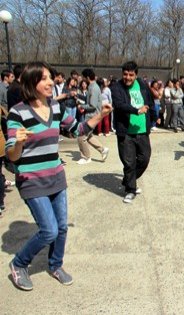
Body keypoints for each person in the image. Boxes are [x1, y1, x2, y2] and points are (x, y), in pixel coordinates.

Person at [6, 61, 112, 290]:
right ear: (31, 82)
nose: (50, 82)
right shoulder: (18, 112)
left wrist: (98, 116)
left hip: (55, 176)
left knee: (61, 227)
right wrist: (19, 144)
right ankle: (19, 264)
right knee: (49, 230)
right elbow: (12, 156)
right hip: (31, 179)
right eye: (44, 78)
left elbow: (77, 130)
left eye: (50, 77)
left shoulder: (55, 107)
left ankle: (55, 264)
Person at [110, 61, 156, 203]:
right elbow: (119, 105)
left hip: (142, 130)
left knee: (144, 159)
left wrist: (153, 118)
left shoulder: (142, 84)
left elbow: (150, 102)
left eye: (131, 75)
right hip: (126, 131)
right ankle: (130, 189)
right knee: (129, 162)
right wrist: (136, 110)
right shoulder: (117, 87)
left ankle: (128, 180)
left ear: (136, 75)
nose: (128, 77)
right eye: (125, 74)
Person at [76, 69, 109, 164]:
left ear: (87, 77)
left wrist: (81, 106)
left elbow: (92, 105)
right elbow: (90, 102)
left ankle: (86, 157)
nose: (82, 79)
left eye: (83, 77)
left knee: (81, 135)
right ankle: (103, 150)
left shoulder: (93, 88)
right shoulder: (92, 87)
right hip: (92, 115)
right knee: (88, 135)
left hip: (92, 116)